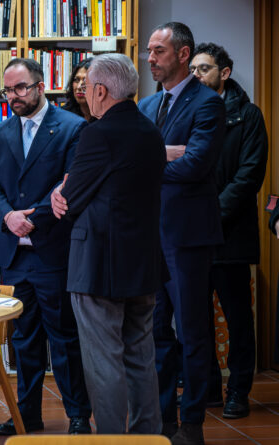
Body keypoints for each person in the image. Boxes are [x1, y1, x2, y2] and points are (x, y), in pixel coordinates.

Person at [50, 54, 166, 434]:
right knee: (140, 357)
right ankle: (147, 436)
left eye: (87, 88)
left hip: (99, 265)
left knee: (104, 363)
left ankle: (114, 440)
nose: (84, 94)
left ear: (100, 91)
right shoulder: (151, 130)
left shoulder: (97, 133)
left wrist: (60, 190)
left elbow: (72, 200)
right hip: (143, 263)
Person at [0, 57, 92, 436]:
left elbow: (72, 184)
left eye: (21, 88)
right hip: (14, 254)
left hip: (53, 249)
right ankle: (26, 414)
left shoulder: (72, 127)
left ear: (41, 86)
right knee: (23, 340)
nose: (14, 96)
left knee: (63, 338)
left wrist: (35, 216)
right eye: (8, 90)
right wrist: (9, 216)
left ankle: (77, 414)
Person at [138, 22, 226, 445]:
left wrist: (153, 159)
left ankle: (192, 421)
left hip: (188, 237)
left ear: (183, 54)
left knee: (192, 332)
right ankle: (163, 418)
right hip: (150, 235)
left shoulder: (207, 104)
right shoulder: (146, 107)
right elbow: (132, 163)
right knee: (155, 332)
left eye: (158, 51)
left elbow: (195, 166)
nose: (150, 59)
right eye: (149, 52)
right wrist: (165, 154)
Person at [191, 42, 268, 420]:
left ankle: (238, 390)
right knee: (197, 318)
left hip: (231, 234)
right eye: (192, 69)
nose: (196, 75)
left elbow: (249, 176)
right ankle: (208, 390)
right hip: (192, 236)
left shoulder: (248, 116)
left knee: (238, 319)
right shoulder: (186, 111)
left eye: (203, 68)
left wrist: (210, 213)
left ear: (224, 73)